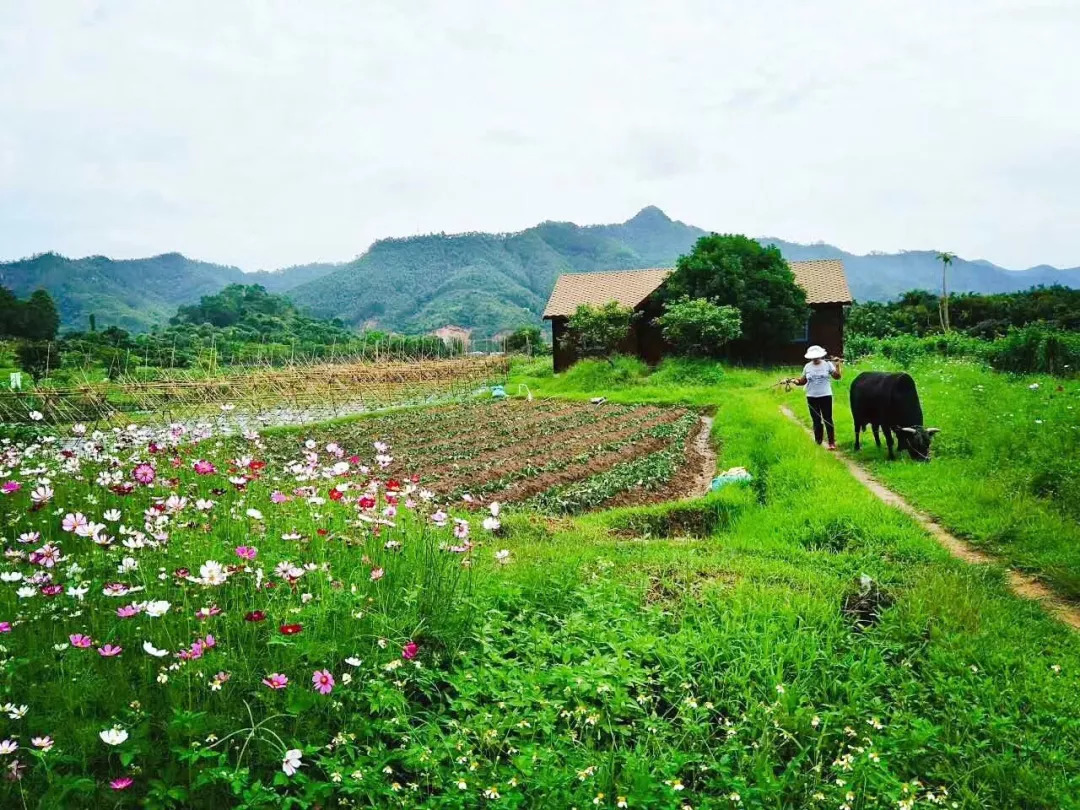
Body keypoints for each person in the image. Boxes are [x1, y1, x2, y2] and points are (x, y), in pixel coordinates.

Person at [793, 345, 842, 449]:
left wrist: (837, 365)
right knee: (816, 420)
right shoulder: (807, 367)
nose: (815, 359)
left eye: (817, 357)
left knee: (827, 418)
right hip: (811, 397)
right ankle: (818, 441)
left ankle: (831, 442)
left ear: (820, 356)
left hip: (825, 396)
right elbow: (803, 380)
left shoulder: (827, 364)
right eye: (813, 357)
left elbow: (837, 376)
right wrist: (796, 381)